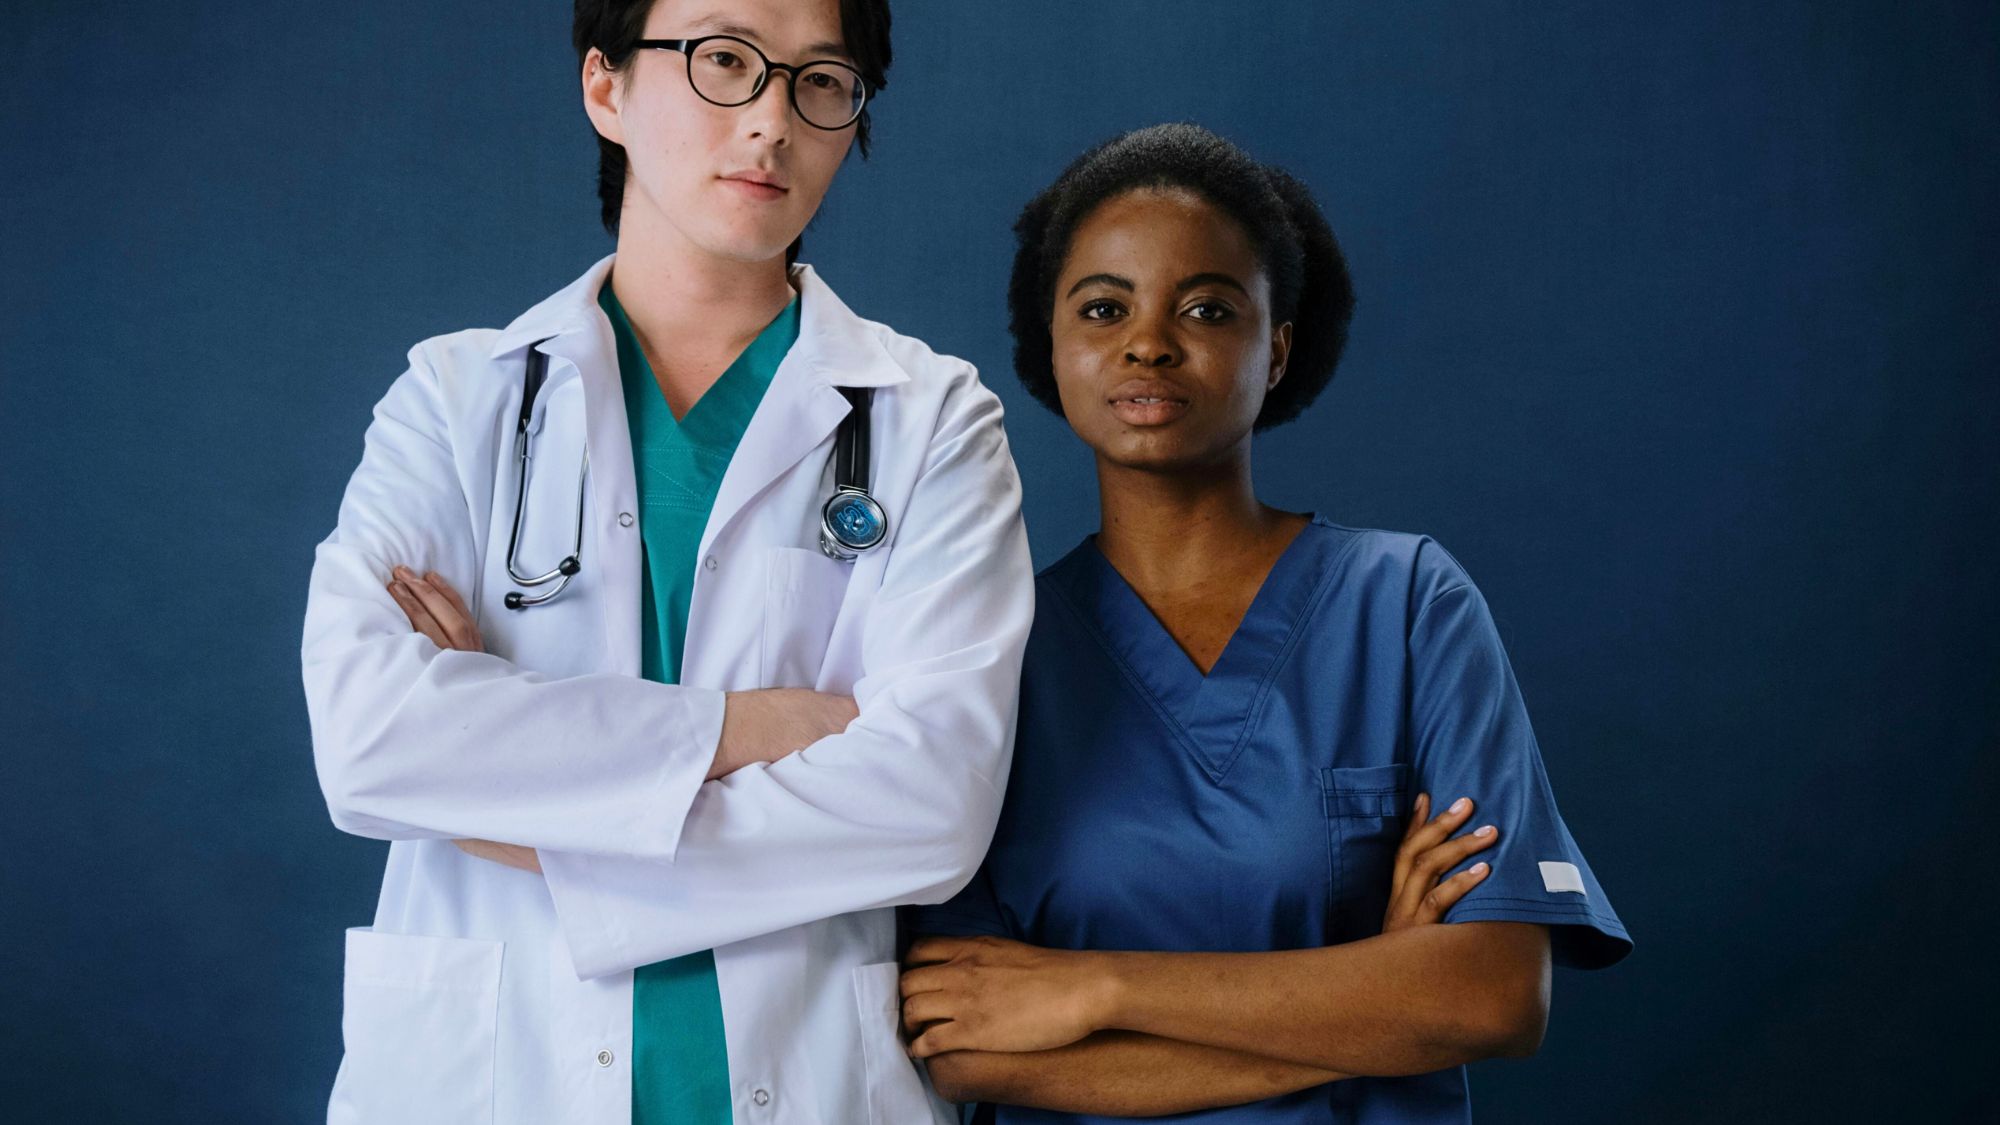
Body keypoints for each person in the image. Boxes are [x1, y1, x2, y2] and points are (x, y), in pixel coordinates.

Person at [299, 2, 1031, 1122]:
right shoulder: (455, 402)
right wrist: (749, 729)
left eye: (819, 80)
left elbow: (931, 805)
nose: (771, 122)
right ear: (606, 88)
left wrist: (507, 805)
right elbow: (370, 742)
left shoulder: (930, 419)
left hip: (810, 1074)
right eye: (724, 62)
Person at [901, 123, 1631, 1123]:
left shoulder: (1408, 605)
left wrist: (1092, 989)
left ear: (1275, 347)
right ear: (1052, 345)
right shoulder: (989, 652)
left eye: (1205, 307)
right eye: (1102, 307)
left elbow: (1493, 996)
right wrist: (1374, 994)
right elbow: (968, 1054)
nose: (1147, 342)